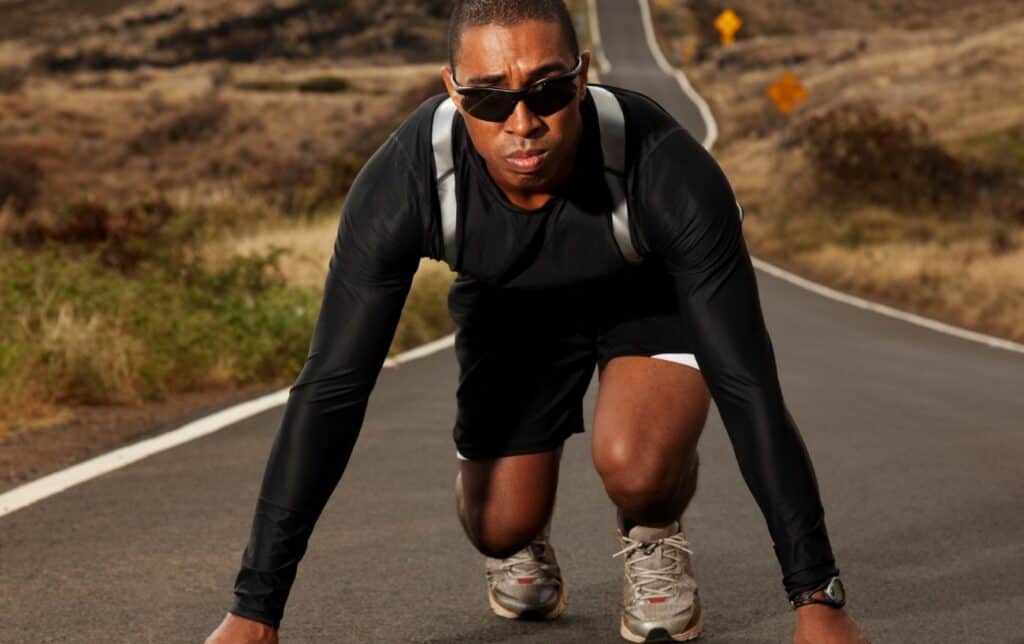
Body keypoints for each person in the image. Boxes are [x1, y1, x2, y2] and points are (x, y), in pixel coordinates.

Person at [206, 1, 870, 642]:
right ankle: (517, 532)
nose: (522, 122)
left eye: (547, 89)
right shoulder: (408, 181)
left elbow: (747, 384)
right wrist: (254, 611)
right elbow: (332, 389)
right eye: (489, 98)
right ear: (453, 90)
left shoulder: (664, 166)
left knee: (635, 467)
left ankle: (653, 528)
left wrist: (819, 598)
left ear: (582, 76)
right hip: (512, 312)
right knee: (499, 524)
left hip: (645, 300)